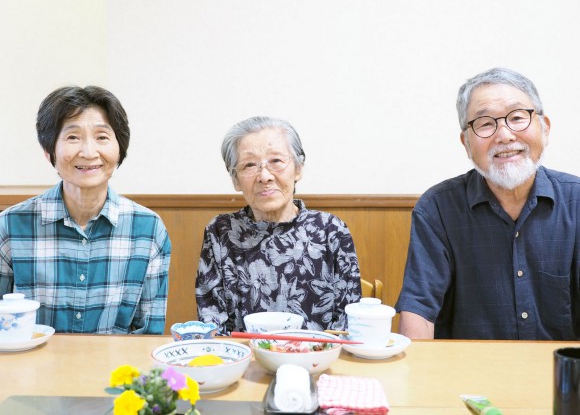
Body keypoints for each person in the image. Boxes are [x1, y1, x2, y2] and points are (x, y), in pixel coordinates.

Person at [396, 67, 580, 340]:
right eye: (485, 124)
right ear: (466, 143)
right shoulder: (437, 208)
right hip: (467, 378)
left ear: (545, 128)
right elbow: (419, 311)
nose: (504, 135)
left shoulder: (575, 202)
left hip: (561, 377)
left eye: (517, 117)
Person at [0, 86, 171, 334]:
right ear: (49, 152)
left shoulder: (149, 229)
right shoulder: (10, 226)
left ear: (119, 148)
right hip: (31, 369)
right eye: (72, 137)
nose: (89, 152)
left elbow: (147, 335)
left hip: (116, 372)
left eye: (102, 137)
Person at [195, 116, 362, 334]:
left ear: (298, 169)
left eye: (276, 161)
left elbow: (348, 323)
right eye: (249, 165)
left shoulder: (331, 230)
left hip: (316, 361)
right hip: (246, 362)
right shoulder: (221, 231)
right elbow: (212, 323)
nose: (264, 176)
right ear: (235, 180)